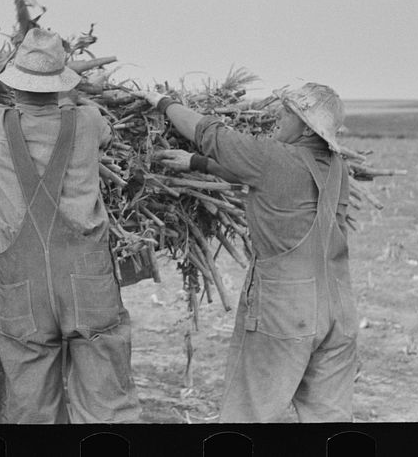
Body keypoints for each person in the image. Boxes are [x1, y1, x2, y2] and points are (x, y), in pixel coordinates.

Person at [140, 83, 358, 423]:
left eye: (287, 114)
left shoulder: (273, 157)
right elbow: (265, 176)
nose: (279, 119)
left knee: (249, 414)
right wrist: (198, 164)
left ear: (305, 127)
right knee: (329, 420)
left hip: (286, 310)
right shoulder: (336, 167)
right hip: (338, 311)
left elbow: (208, 132)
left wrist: (164, 103)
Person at [0, 27, 142, 424]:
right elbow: (103, 133)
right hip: (86, 282)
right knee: (109, 407)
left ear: (15, 84)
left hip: (23, 289)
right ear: (60, 83)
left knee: (34, 413)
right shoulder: (89, 121)